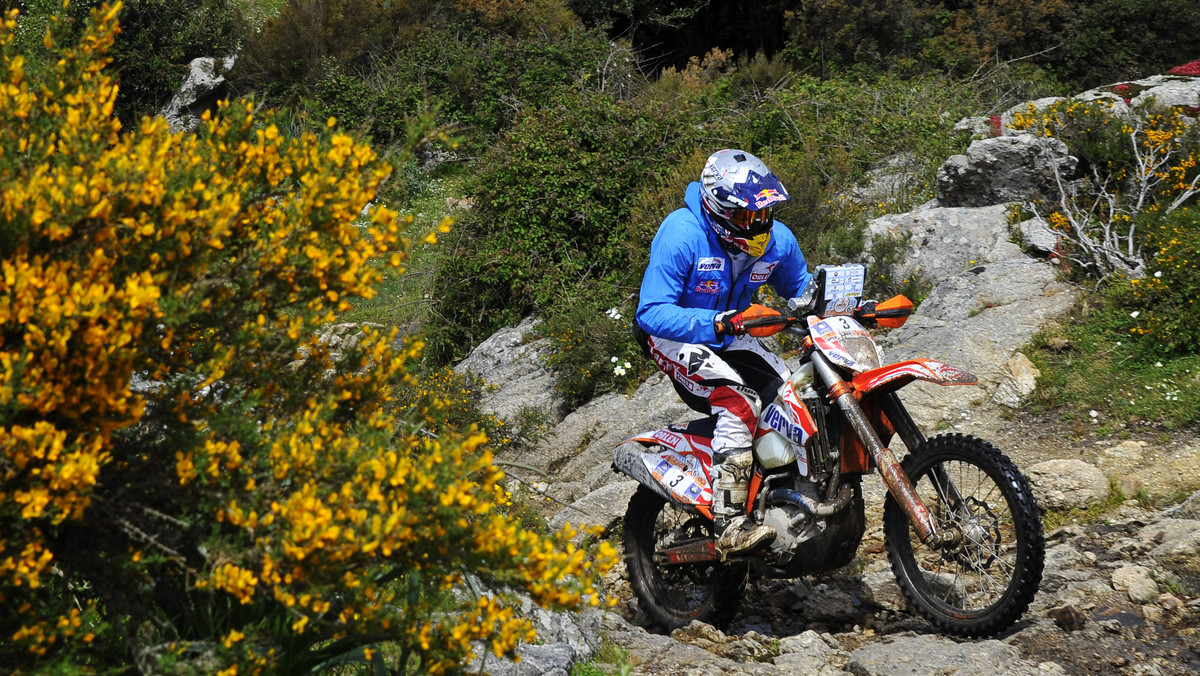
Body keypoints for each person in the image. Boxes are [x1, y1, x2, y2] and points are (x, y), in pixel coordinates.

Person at [635, 149, 813, 558]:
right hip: (672, 335)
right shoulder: (681, 233)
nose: (761, 226)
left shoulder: (777, 241)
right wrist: (716, 323)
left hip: (731, 329)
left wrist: (836, 300)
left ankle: (780, 498)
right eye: (750, 217)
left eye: (765, 214)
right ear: (720, 209)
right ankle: (730, 523)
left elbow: (800, 290)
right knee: (739, 400)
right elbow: (651, 312)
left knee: (791, 395)